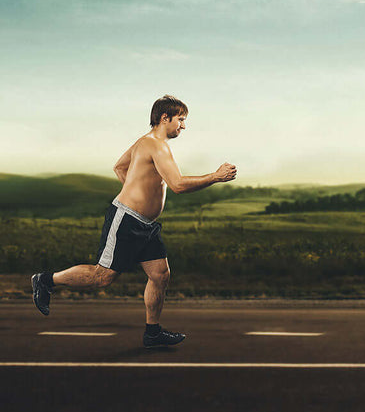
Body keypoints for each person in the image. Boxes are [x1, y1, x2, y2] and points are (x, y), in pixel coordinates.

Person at [31, 95, 237, 348]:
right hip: (127, 220)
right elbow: (178, 185)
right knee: (102, 276)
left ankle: (152, 332)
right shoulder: (156, 145)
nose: (183, 126)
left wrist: (138, 190)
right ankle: (45, 280)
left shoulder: (144, 142)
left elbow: (120, 167)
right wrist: (215, 177)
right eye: (181, 120)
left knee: (160, 275)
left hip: (146, 226)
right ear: (165, 118)